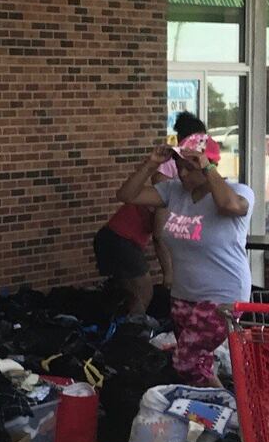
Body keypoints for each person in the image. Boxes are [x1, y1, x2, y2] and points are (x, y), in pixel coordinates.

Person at [116, 131, 253, 386]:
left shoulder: (238, 191)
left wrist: (208, 168)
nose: (182, 174)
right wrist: (151, 164)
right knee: (198, 364)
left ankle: (229, 413)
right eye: (179, 167)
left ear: (209, 165)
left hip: (222, 297)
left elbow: (229, 206)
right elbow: (127, 195)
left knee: (186, 361)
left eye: (190, 168)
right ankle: (224, 415)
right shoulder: (174, 191)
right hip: (184, 295)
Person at [91, 114, 202, 316]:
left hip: (119, 239)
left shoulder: (185, 190)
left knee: (127, 294)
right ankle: (133, 334)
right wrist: (168, 275)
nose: (184, 174)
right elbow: (159, 235)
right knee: (143, 291)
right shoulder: (167, 189)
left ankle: (122, 330)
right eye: (181, 169)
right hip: (119, 240)